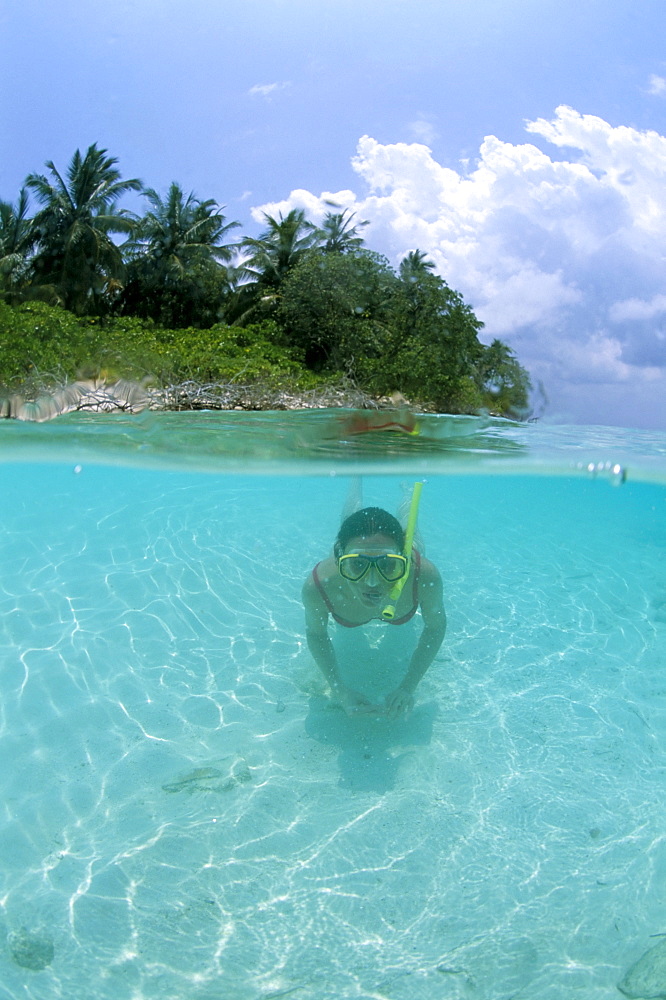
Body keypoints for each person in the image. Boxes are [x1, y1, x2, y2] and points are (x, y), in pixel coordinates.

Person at [302, 483, 446, 718]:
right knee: (350, 520)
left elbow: (435, 627)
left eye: (388, 565)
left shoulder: (423, 576)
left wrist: (408, 687)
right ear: (340, 558)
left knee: (411, 532)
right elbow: (316, 634)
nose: (371, 582)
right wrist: (339, 690)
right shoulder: (319, 587)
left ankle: (408, 493)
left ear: (404, 558)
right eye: (357, 564)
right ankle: (354, 478)